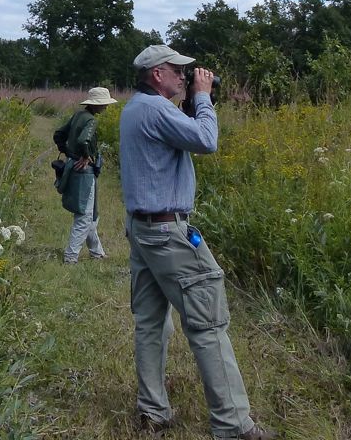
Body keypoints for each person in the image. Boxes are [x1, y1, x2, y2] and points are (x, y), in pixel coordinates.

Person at [119, 44, 275, 440]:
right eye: (178, 71)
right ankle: (233, 425)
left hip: (143, 231)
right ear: (157, 74)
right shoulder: (156, 110)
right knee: (208, 324)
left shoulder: (137, 107)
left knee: (151, 323)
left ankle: (153, 410)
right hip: (168, 233)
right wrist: (203, 98)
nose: (185, 77)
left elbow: (179, 137)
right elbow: (206, 140)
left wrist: (190, 100)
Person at [57, 86, 115, 263]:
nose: (106, 107)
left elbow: (58, 135)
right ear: (96, 105)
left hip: (74, 168)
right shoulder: (91, 120)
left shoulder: (78, 115)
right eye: (103, 104)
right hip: (84, 172)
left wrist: (68, 153)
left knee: (91, 213)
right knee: (85, 215)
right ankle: (71, 256)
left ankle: (97, 253)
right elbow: (84, 140)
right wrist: (84, 156)